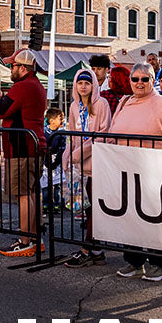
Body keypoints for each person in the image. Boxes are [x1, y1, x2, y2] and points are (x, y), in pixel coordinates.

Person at [107, 62, 162, 281]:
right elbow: (113, 130)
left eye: (145, 79)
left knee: (152, 218)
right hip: (123, 168)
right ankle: (134, 262)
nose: (139, 83)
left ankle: (158, 263)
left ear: (153, 80)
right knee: (129, 217)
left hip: (151, 169)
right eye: (135, 79)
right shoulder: (124, 101)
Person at [0, 48, 47, 257]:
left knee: (23, 194)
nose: (10, 69)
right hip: (31, 145)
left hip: (22, 147)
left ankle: (25, 241)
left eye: (13, 66)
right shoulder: (35, 85)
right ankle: (33, 237)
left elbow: (1, 111)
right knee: (30, 192)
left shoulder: (23, 86)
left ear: (23, 68)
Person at [62, 67, 112, 268]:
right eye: (80, 83)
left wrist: (79, 152)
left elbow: (104, 133)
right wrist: (67, 153)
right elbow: (71, 133)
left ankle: (86, 249)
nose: (83, 86)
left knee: (95, 209)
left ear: (94, 84)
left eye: (87, 83)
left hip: (97, 163)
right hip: (79, 166)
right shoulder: (74, 106)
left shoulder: (102, 104)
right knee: (85, 207)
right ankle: (97, 251)